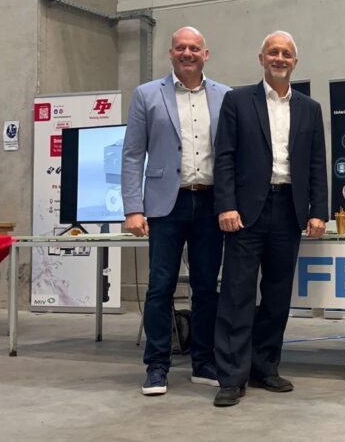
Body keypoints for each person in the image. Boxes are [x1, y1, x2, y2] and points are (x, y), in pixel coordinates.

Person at [212, 31, 328, 407]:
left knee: (277, 296)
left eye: (287, 54)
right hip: (245, 213)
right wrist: (225, 205)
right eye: (273, 52)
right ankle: (232, 376)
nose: (280, 58)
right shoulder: (237, 100)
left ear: (295, 62)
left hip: (288, 211)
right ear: (261, 58)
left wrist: (318, 211)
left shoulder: (310, 108)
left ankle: (264, 367)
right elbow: (224, 157)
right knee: (237, 294)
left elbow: (317, 164)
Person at [121, 26, 230, 396]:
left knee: (206, 287)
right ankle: (156, 366)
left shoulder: (224, 96)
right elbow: (132, 153)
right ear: (170, 53)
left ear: (205, 54)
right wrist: (133, 208)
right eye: (181, 47)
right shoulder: (147, 94)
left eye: (194, 48)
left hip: (211, 204)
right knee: (160, 287)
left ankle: (204, 361)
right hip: (165, 206)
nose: (187, 53)